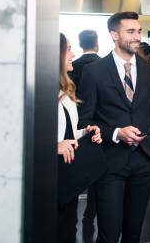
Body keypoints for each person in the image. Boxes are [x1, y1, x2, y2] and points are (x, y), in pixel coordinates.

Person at [78, 12, 150, 243]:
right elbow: (85, 121)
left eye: (139, 31)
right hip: (110, 164)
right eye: (131, 31)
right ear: (114, 35)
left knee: (133, 233)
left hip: (145, 162)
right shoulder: (94, 71)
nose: (137, 37)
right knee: (109, 233)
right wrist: (116, 133)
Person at [57, 33, 101, 243]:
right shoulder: (40, 90)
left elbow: (67, 132)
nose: (73, 54)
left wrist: (85, 132)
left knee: (67, 227)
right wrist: (53, 146)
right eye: (67, 48)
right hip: (51, 179)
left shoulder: (64, 91)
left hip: (68, 178)